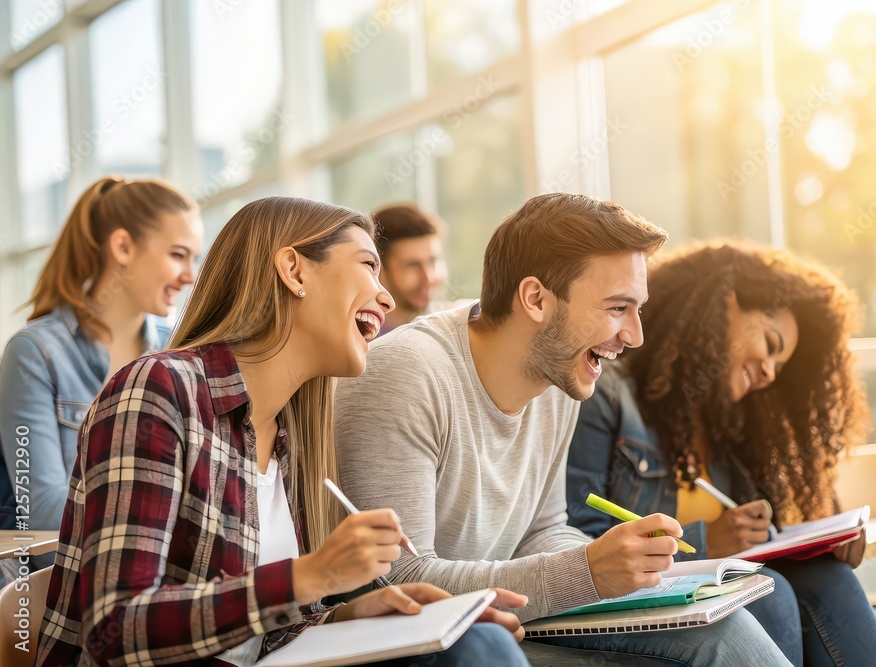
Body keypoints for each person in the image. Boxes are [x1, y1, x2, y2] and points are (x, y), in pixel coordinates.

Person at [37, 197, 531, 667]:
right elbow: (113, 630)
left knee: (473, 639)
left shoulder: (291, 436)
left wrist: (350, 613)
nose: (386, 295)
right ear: (294, 270)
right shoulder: (161, 389)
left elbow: (257, 640)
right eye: (368, 265)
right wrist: (310, 576)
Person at [335, 194, 791, 666]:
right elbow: (399, 580)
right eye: (618, 308)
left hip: (508, 616)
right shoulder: (408, 373)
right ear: (536, 299)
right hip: (428, 643)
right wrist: (587, 571)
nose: (635, 336)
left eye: (638, 309)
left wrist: (616, 563)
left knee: (726, 626)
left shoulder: (559, 372)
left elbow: (543, 530)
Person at [566, 240, 876, 667]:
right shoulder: (609, 394)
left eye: (781, 369)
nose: (769, 373)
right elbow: (576, 538)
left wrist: (820, 544)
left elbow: (763, 541)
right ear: (725, 306)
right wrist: (706, 542)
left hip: (711, 594)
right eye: (771, 344)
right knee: (770, 594)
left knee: (827, 577)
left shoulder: (727, 428)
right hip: (625, 610)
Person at [0, 176, 203, 584]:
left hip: (159, 578)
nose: (191, 276)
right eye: (179, 255)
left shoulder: (178, 351)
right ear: (123, 246)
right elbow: (44, 511)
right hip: (62, 583)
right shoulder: (34, 353)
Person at [371, 203, 448, 335]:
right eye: (412, 265)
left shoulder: (450, 327)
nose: (428, 278)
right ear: (377, 270)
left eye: (433, 261)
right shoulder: (361, 345)